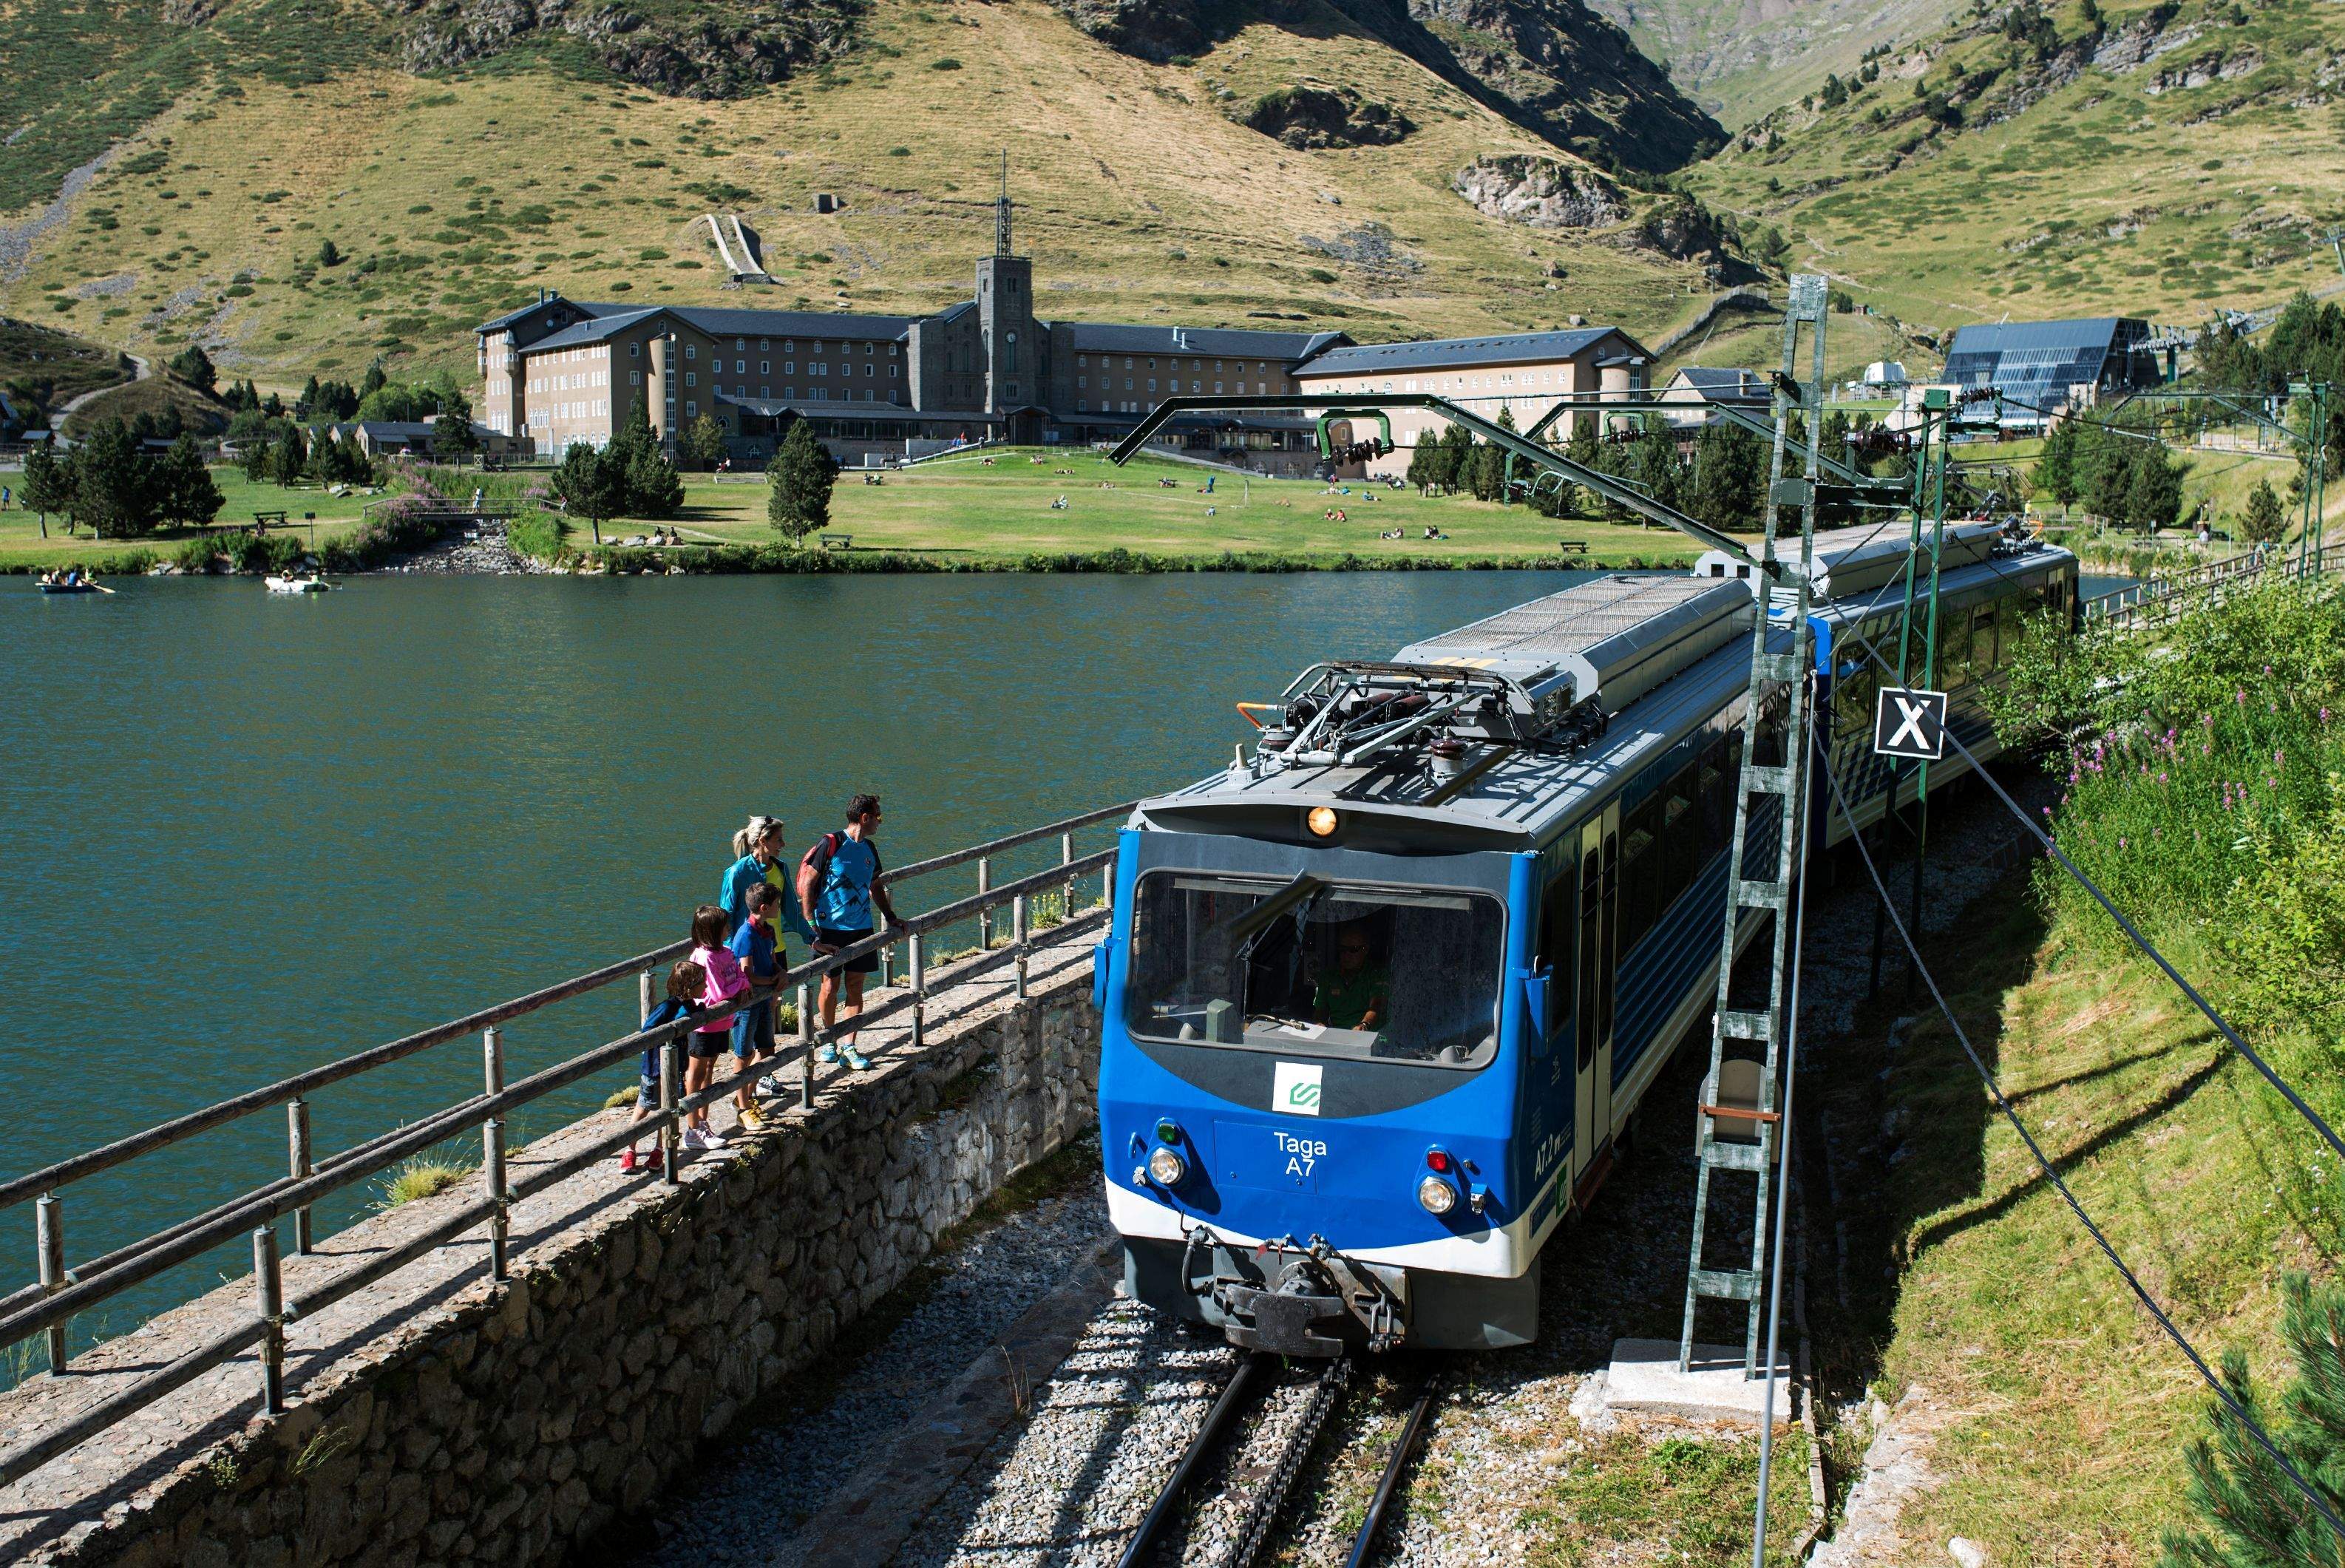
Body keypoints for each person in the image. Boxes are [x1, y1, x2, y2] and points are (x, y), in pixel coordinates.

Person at [798, 793, 898, 1072]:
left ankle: (849, 1045)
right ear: (864, 818)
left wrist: (889, 916)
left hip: (861, 928)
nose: (880, 820)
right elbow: (809, 883)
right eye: (878, 815)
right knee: (830, 985)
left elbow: (875, 885)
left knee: (856, 985)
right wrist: (811, 926)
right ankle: (828, 1040)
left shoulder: (870, 848)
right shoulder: (831, 843)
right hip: (829, 928)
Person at [620, 958, 706, 1173]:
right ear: (689, 987)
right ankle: (629, 1149)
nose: (705, 987)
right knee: (644, 1107)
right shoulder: (667, 1007)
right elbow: (648, 1029)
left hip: (675, 1069)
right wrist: (681, 1021)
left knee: (667, 1108)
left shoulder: (688, 1005)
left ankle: (658, 1149)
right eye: (702, 983)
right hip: (655, 1067)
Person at [685, 904, 748, 1150]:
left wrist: (742, 984)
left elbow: (739, 975)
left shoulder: (726, 952)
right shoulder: (705, 957)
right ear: (712, 931)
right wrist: (739, 989)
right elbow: (719, 992)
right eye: (724, 926)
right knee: (697, 1072)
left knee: (710, 1067)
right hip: (704, 1023)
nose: (729, 929)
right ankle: (692, 1128)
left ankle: (703, 1122)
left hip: (721, 1021)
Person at [729, 882, 786, 1130]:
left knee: (766, 1050)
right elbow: (746, 974)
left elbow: (773, 960)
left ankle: (748, 1096)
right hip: (748, 1004)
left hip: (764, 999)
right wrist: (771, 982)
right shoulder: (746, 935)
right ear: (764, 907)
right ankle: (742, 1108)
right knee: (743, 1054)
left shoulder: (768, 929)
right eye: (777, 904)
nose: (779, 908)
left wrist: (780, 972)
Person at [1314, 922, 1389, 1033]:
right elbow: (1320, 1008)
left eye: (1353, 950)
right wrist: (1319, 1024)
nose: (1346, 955)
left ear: (1366, 949)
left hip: (1371, 1037)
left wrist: (1364, 1026)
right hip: (1336, 1037)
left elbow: (1377, 1006)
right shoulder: (1329, 976)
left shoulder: (1377, 975)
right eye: (1342, 949)